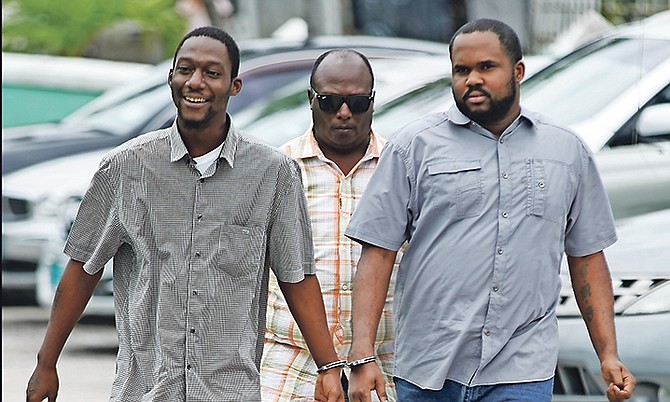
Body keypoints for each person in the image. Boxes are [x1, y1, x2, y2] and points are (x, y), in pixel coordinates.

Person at [26, 26, 345, 402]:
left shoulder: (273, 173)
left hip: (229, 391)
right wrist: (46, 363)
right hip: (145, 389)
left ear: (234, 86)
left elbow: (297, 276)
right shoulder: (125, 168)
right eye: (186, 70)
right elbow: (83, 268)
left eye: (212, 73)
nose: (196, 82)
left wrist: (328, 367)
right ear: (170, 77)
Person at [344, 18, 636, 402]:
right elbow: (377, 253)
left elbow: (587, 259)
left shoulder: (566, 152)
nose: (472, 80)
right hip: (430, 367)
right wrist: (362, 353)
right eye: (461, 70)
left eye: (486, 67)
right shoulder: (413, 147)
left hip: (522, 367)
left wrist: (608, 354)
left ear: (518, 72)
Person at [261, 49, 397, 402]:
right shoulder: (277, 169)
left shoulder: (400, 170)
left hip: (382, 363)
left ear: (373, 101)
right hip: (289, 362)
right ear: (311, 100)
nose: (344, 112)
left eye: (357, 102)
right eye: (330, 101)